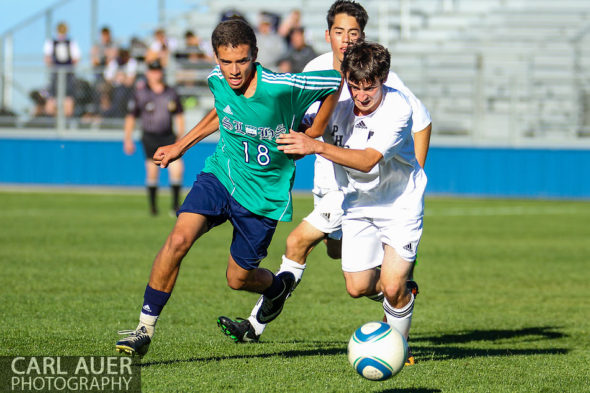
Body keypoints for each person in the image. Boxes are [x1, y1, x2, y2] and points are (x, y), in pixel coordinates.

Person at [217, 0, 431, 365]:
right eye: (339, 32)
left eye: (354, 33)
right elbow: (300, 122)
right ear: (327, 34)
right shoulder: (318, 73)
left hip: (382, 195)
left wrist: (411, 174)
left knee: (298, 242)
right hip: (343, 191)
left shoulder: (388, 87)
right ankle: (394, 293)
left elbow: (416, 127)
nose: (346, 40)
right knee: (352, 279)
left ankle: (255, 325)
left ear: (363, 37)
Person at [115, 19, 341, 357]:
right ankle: (143, 330)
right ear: (216, 58)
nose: (233, 70)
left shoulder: (283, 85)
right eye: (226, 61)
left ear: (255, 55)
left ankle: (278, 288)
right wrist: (181, 146)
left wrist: (314, 132)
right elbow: (222, 111)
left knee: (237, 279)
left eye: (242, 61)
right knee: (178, 239)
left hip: (263, 195)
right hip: (221, 174)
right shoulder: (216, 79)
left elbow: (335, 83)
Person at [277, 40, 426, 360]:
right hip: (357, 203)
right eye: (355, 86)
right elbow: (307, 125)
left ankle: (399, 347)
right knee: (357, 287)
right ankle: (400, 295)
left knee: (392, 283)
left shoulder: (398, 108)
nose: (361, 95)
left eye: (369, 87)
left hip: (399, 204)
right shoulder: (337, 102)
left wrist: (314, 146)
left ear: (383, 79)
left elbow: (367, 160)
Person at [123, 60, 184, 216]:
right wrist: (127, 139)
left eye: (158, 71)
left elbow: (179, 115)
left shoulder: (171, 92)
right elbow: (131, 117)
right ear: (148, 73)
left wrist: (180, 136)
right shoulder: (141, 93)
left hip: (168, 136)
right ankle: (153, 207)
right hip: (150, 136)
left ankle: (175, 205)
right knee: (152, 171)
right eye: (153, 71)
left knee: (177, 169)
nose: (156, 74)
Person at [43, 22, 81, 118]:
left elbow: (76, 58)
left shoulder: (71, 43)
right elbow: (47, 58)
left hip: (68, 74)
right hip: (56, 73)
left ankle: (66, 119)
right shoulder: (51, 42)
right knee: (52, 97)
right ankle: (52, 119)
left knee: (68, 97)